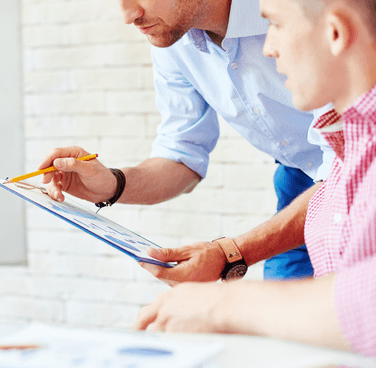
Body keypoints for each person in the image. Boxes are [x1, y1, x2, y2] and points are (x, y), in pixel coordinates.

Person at [133, 0, 376, 355]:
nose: (266, 48)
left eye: (275, 25)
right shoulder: (344, 148)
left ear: (336, 33)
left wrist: (220, 306)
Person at [38, 0, 335, 283]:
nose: (128, 15)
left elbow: (347, 166)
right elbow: (182, 151)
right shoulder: (173, 35)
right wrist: (112, 184)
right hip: (299, 184)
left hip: (358, 168)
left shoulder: (308, 14)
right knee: (286, 323)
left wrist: (229, 254)